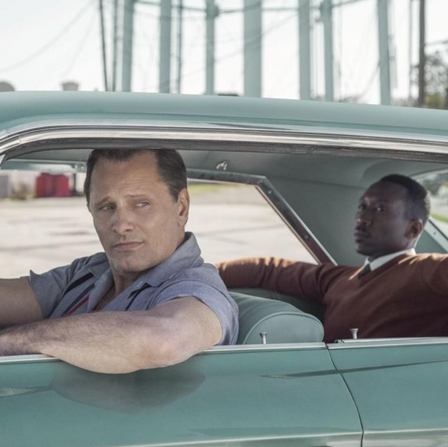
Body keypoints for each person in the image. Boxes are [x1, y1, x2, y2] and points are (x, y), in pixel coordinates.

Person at [0, 149, 238, 373]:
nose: (121, 225)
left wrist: (12, 342)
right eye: (106, 207)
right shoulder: (89, 272)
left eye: (141, 204)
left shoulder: (198, 288)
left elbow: (164, 339)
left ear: (182, 208)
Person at [217, 174, 448, 342]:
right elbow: (267, 270)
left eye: (380, 209)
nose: (362, 218)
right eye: (362, 206)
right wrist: (203, 277)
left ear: (413, 229)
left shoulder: (426, 270)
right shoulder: (339, 278)